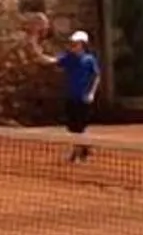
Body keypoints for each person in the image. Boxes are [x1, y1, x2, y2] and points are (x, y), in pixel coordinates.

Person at [37, 25, 103, 162]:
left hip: (83, 98)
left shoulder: (89, 60)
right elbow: (49, 61)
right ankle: (84, 148)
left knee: (80, 126)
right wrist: (35, 49)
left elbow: (96, 76)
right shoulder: (68, 58)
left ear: (83, 45)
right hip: (70, 97)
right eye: (72, 43)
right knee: (72, 127)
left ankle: (77, 152)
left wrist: (91, 93)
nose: (72, 45)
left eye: (75, 43)